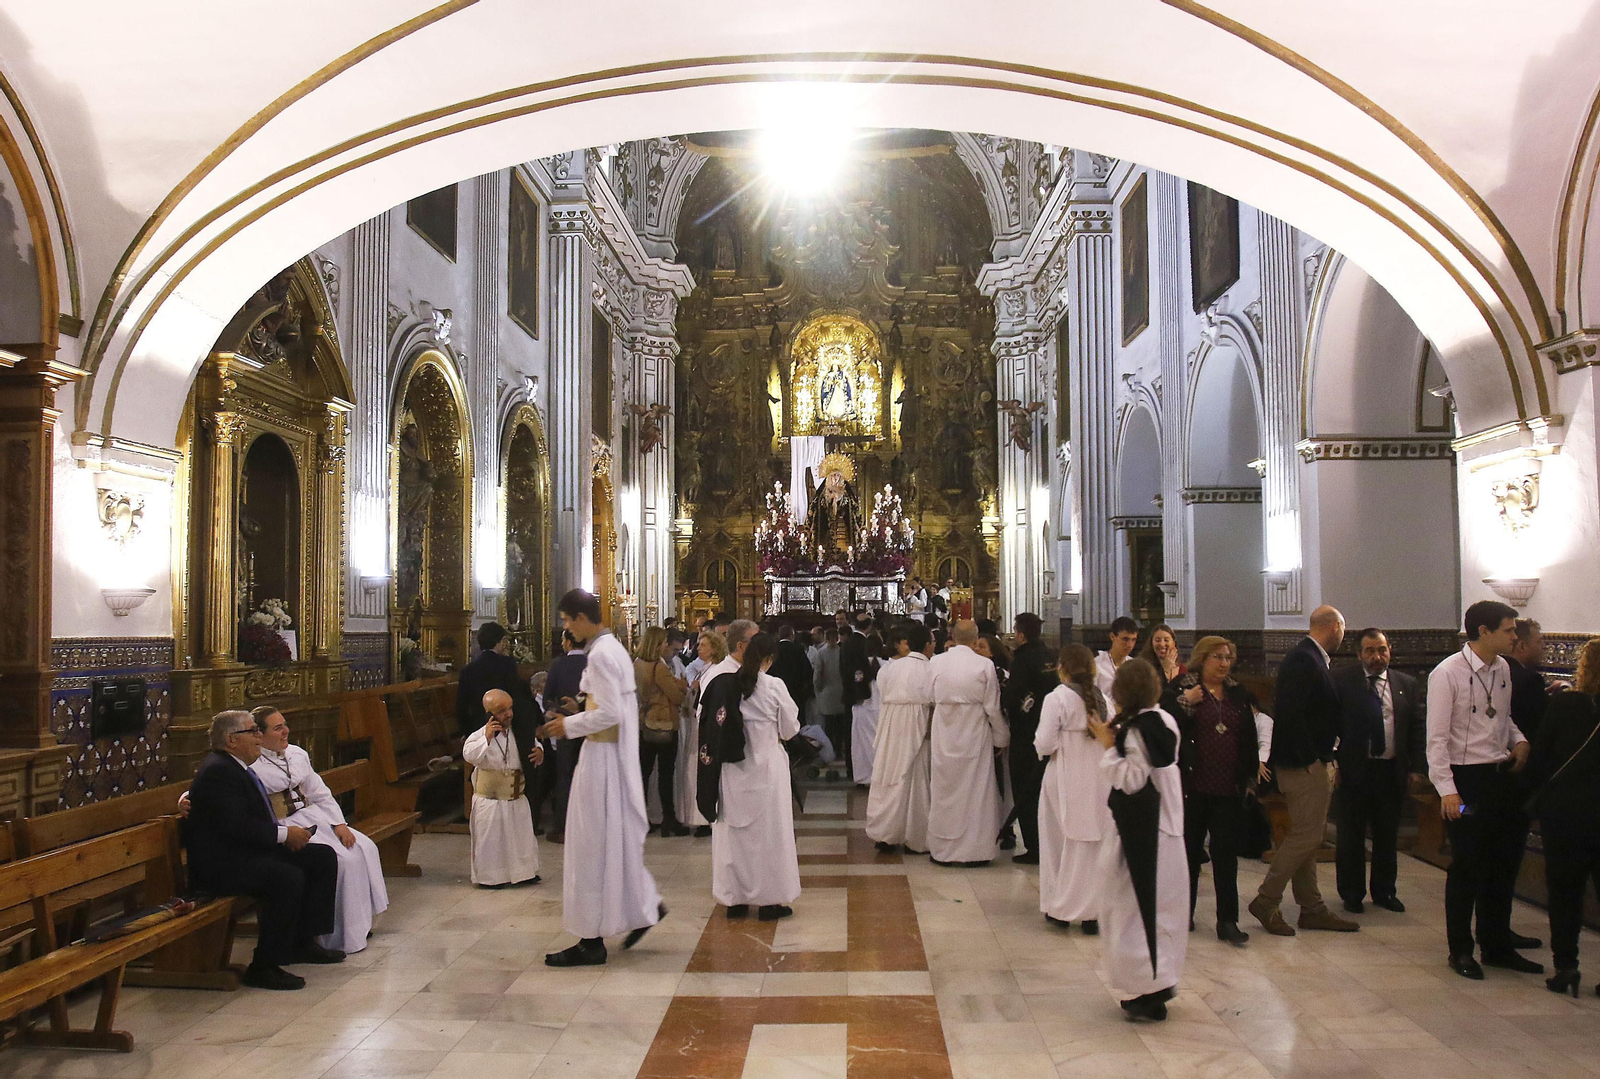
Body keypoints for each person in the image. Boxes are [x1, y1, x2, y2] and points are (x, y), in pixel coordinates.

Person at [538, 589, 665, 967]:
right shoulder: (611, 650)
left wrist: (568, 724)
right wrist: (580, 708)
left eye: (565, 620)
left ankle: (590, 941)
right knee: (608, 844)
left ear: (580, 618)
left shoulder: (603, 653)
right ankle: (643, 906)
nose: (565, 627)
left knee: (588, 846)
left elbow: (610, 713)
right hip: (607, 757)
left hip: (601, 759)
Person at [184, 710, 342, 991]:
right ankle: (265, 965)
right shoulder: (219, 772)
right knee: (286, 877)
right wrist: (285, 835)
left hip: (244, 853)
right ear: (231, 740)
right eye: (252, 732)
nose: (259, 737)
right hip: (221, 865)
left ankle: (302, 942)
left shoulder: (235, 766)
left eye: (258, 731)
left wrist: (286, 836)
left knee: (321, 857)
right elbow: (236, 826)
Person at [1425, 599, 1539, 979]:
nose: (1514, 635)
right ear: (1483, 632)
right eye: (1508, 629)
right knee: (1468, 865)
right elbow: (1437, 740)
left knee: (1504, 862)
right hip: (1465, 782)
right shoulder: (1448, 673)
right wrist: (1447, 791)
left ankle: (1496, 945)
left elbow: (1502, 721)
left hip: (1498, 777)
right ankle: (1460, 950)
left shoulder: (1503, 668)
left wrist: (1519, 741)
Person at [1248, 605, 1358, 936]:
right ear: (1336, 627)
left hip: (1311, 760)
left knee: (1308, 836)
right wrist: (1311, 759)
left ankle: (1312, 908)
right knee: (1307, 835)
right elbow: (1291, 714)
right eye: (1343, 629)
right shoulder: (1303, 659)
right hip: (1303, 764)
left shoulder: (1311, 658)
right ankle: (1266, 900)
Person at [1090, 659, 1185, 1022]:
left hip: (1143, 830)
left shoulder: (1133, 732)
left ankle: (1149, 989)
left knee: (1132, 907)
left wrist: (1108, 748)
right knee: (1164, 909)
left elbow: (1131, 781)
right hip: (1169, 825)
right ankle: (1161, 981)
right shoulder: (1164, 719)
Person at [248, 707, 389, 952]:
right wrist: (184, 799)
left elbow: (319, 791)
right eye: (278, 728)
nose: (286, 731)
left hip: (312, 816)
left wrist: (340, 823)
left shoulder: (296, 754)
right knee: (342, 861)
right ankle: (328, 936)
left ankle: (357, 928)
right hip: (284, 824)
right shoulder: (251, 759)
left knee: (363, 847)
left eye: (285, 724)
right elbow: (217, 787)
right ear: (259, 734)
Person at [1162, 637, 1264, 946]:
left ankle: (1227, 920)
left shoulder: (1237, 693)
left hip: (1227, 788)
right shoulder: (1182, 688)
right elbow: (1163, 719)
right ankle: (1184, 914)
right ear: (1203, 659)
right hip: (1193, 786)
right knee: (1189, 855)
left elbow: (1248, 738)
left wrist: (1250, 779)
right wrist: (1186, 703)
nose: (1223, 663)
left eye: (1228, 658)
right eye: (1217, 657)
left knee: (1225, 856)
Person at [700, 632, 802, 921]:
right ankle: (770, 901)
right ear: (769, 659)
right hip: (768, 765)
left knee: (733, 834)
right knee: (771, 834)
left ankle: (735, 899)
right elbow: (790, 729)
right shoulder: (774, 686)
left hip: (733, 768)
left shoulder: (725, 684)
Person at [1333, 629, 1425, 914]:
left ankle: (1385, 891)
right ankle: (1351, 892)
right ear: (1359, 653)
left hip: (1390, 770)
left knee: (1386, 835)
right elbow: (1331, 723)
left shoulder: (1405, 684)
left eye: (1382, 650)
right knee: (1351, 835)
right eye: (1370, 651)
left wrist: (1418, 768)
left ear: (1390, 650)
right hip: (1354, 770)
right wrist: (1333, 762)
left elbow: (1417, 728)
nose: (1377, 657)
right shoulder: (1342, 680)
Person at [1528, 637, 1600, 997]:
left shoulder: (1565, 705)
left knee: (1565, 894)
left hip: (1566, 815)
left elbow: (1541, 756)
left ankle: (1566, 967)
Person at [1035, 643, 1110, 933]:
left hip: (1064, 773)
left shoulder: (1058, 698)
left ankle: (1061, 907)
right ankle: (1092, 912)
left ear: (1062, 668)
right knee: (1093, 842)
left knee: (1058, 841)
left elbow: (1044, 743)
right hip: (1097, 775)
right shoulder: (1102, 698)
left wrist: (1054, 747)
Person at [926, 620, 1008, 865]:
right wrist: (1002, 737)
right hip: (974, 733)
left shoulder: (937, 662)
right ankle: (976, 851)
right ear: (975, 640)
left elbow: (928, 696)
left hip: (945, 731)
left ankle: (943, 850)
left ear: (952, 636)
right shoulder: (984, 665)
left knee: (944, 789)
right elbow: (992, 707)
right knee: (977, 792)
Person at [463, 689, 544, 887]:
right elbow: (469, 755)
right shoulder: (479, 734)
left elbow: (534, 745)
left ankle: (524, 873)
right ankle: (492, 878)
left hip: (516, 797)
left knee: (520, 840)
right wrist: (487, 738)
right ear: (489, 714)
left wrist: (540, 752)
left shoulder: (520, 731)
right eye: (501, 711)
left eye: (510, 708)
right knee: (492, 842)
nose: (508, 714)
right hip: (490, 799)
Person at [866, 622, 935, 854]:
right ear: (927, 646)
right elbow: (934, 700)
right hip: (918, 724)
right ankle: (915, 837)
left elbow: (883, 694)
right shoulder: (930, 669)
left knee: (888, 775)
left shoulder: (888, 668)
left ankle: (884, 834)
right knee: (915, 778)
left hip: (890, 725)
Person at [1005, 613, 1057, 865]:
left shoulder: (1022, 660)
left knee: (1025, 790)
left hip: (1026, 735)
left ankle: (1034, 846)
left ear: (1022, 634)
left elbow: (1014, 697)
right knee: (1044, 791)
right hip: (1049, 731)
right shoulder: (1051, 656)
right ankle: (1047, 844)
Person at [634, 626, 690, 837]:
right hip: (664, 723)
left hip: (645, 722)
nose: (667, 646)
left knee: (644, 773)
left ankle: (640, 818)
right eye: (665, 642)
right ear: (658, 644)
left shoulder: (638, 664)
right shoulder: (659, 667)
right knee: (666, 774)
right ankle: (669, 819)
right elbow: (675, 696)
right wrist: (683, 688)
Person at [677, 629, 730, 837]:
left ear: (714, 649)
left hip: (704, 727)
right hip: (695, 724)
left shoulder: (715, 670)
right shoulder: (703, 669)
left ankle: (704, 819)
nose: (698, 648)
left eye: (703, 645)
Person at [542, 629, 588, 844]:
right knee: (588, 776)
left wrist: (556, 712)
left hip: (565, 728)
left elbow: (548, 697)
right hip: (589, 728)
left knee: (565, 776)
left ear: (569, 643)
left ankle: (563, 826)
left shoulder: (558, 665)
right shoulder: (593, 663)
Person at [843, 630, 882, 786]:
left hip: (862, 708)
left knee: (860, 745)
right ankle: (880, 775)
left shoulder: (858, 666)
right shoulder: (887, 665)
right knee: (879, 744)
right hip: (881, 709)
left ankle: (863, 776)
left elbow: (850, 685)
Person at [812, 627, 848, 770]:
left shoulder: (821, 653)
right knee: (840, 724)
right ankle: (839, 751)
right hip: (841, 692)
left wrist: (818, 689)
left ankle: (829, 751)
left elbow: (817, 675)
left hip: (827, 692)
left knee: (828, 724)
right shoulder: (842, 652)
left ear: (826, 638)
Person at [769, 624, 816, 725]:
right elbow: (807, 670)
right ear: (792, 636)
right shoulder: (798, 649)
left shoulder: (773, 650)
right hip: (796, 692)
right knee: (797, 720)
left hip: (775, 692)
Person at [1095, 617, 1141, 702]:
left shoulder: (1134, 666)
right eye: (1125, 639)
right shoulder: (1097, 664)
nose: (1130, 645)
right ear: (1112, 636)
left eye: (1133, 640)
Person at [1140, 624, 1186, 693]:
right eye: (1158, 640)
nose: (1162, 644)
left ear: (1174, 643)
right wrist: (1166, 670)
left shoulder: (1183, 669)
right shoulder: (1143, 667)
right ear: (1151, 643)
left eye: (1166, 640)